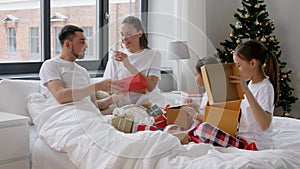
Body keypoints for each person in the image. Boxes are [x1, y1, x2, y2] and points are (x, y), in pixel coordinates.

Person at [190, 39, 279, 150]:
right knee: (203, 128)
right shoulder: (251, 84)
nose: (236, 70)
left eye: (239, 66)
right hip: (241, 138)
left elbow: (264, 125)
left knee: (203, 129)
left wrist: (246, 91)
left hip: (254, 145)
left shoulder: (265, 88)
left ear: (253, 63)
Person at [39, 24, 113, 110]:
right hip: (65, 115)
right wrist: (98, 86)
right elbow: (61, 96)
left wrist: (116, 97)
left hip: (88, 115)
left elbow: (94, 105)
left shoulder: (83, 71)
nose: (86, 46)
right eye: (81, 42)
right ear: (68, 44)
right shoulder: (51, 65)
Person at [103, 15, 162, 107]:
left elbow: (150, 86)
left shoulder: (154, 55)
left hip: (149, 104)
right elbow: (107, 88)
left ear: (139, 33)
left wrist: (128, 65)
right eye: (122, 34)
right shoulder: (116, 57)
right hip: (124, 105)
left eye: (129, 34)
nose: (124, 38)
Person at [183, 56, 220, 122]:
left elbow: (213, 121)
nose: (195, 78)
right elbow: (205, 112)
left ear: (205, 75)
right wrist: (196, 107)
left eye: (197, 74)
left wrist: (194, 114)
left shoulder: (216, 95)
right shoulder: (207, 92)